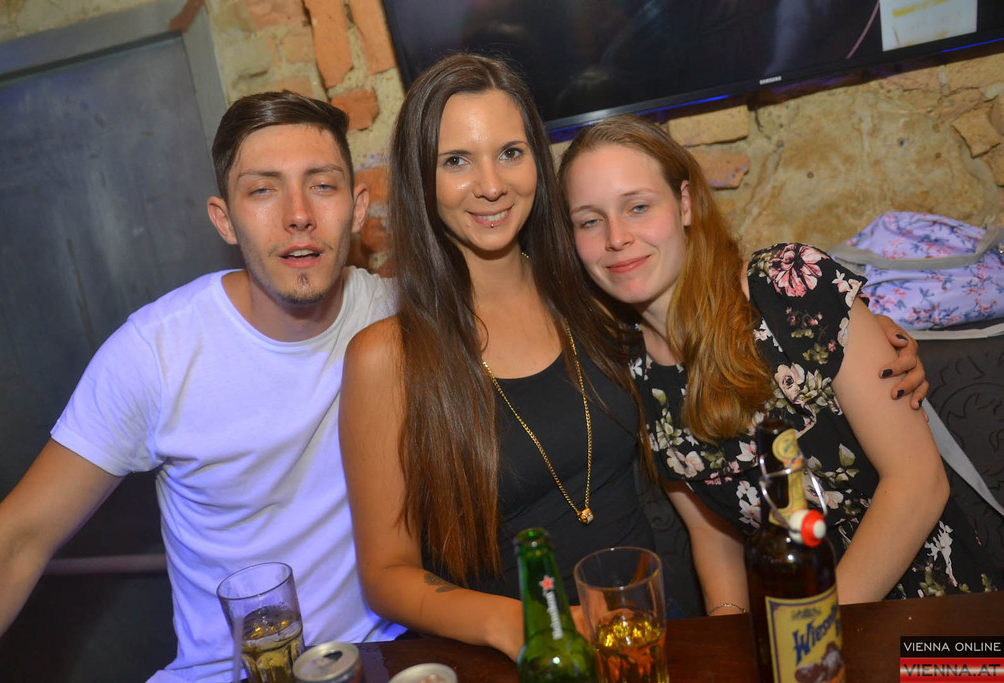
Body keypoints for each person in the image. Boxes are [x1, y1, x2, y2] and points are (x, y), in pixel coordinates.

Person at [337, 53, 926, 659]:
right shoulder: (389, 358)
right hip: (523, 657)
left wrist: (867, 333)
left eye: (510, 152)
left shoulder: (596, 304)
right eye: (456, 161)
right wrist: (522, 625)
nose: (491, 184)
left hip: (657, 632)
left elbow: (724, 316)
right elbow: (385, 574)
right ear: (419, 178)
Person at [0, 91, 403, 682]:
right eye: (263, 190)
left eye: (322, 185)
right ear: (224, 219)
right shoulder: (158, 352)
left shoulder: (396, 316)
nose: (298, 213)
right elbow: (16, 540)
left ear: (357, 207)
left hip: (379, 661)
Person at [557, 114, 999, 616]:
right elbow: (712, 531)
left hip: (928, 606)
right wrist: (726, 632)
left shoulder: (790, 286)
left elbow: (917, 482)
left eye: (638, 206)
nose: (616, 237)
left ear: (684, 204)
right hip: (790, 620)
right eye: (590, 221)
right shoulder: (631, 374)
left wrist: (812, 631)